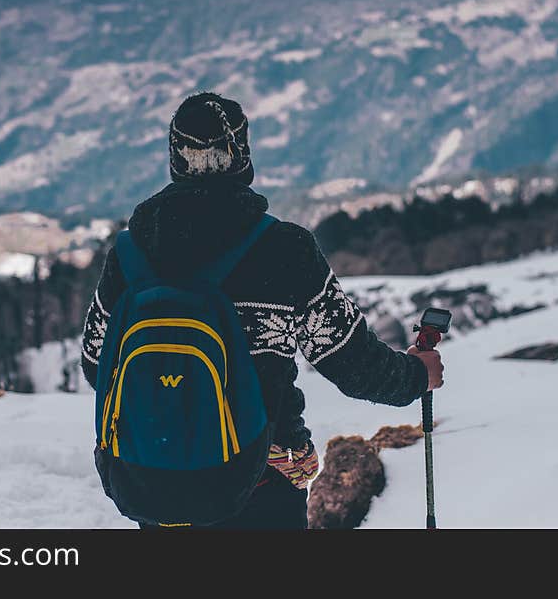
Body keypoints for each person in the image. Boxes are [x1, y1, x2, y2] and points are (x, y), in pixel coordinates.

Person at [81, 92, 444, 529]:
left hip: (155, 481)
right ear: (242, 155)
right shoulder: (284, 249)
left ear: (175, 157)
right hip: (260, 480)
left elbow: (96, 363)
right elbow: (352, 364)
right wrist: (416, 374)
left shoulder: (131, 252)